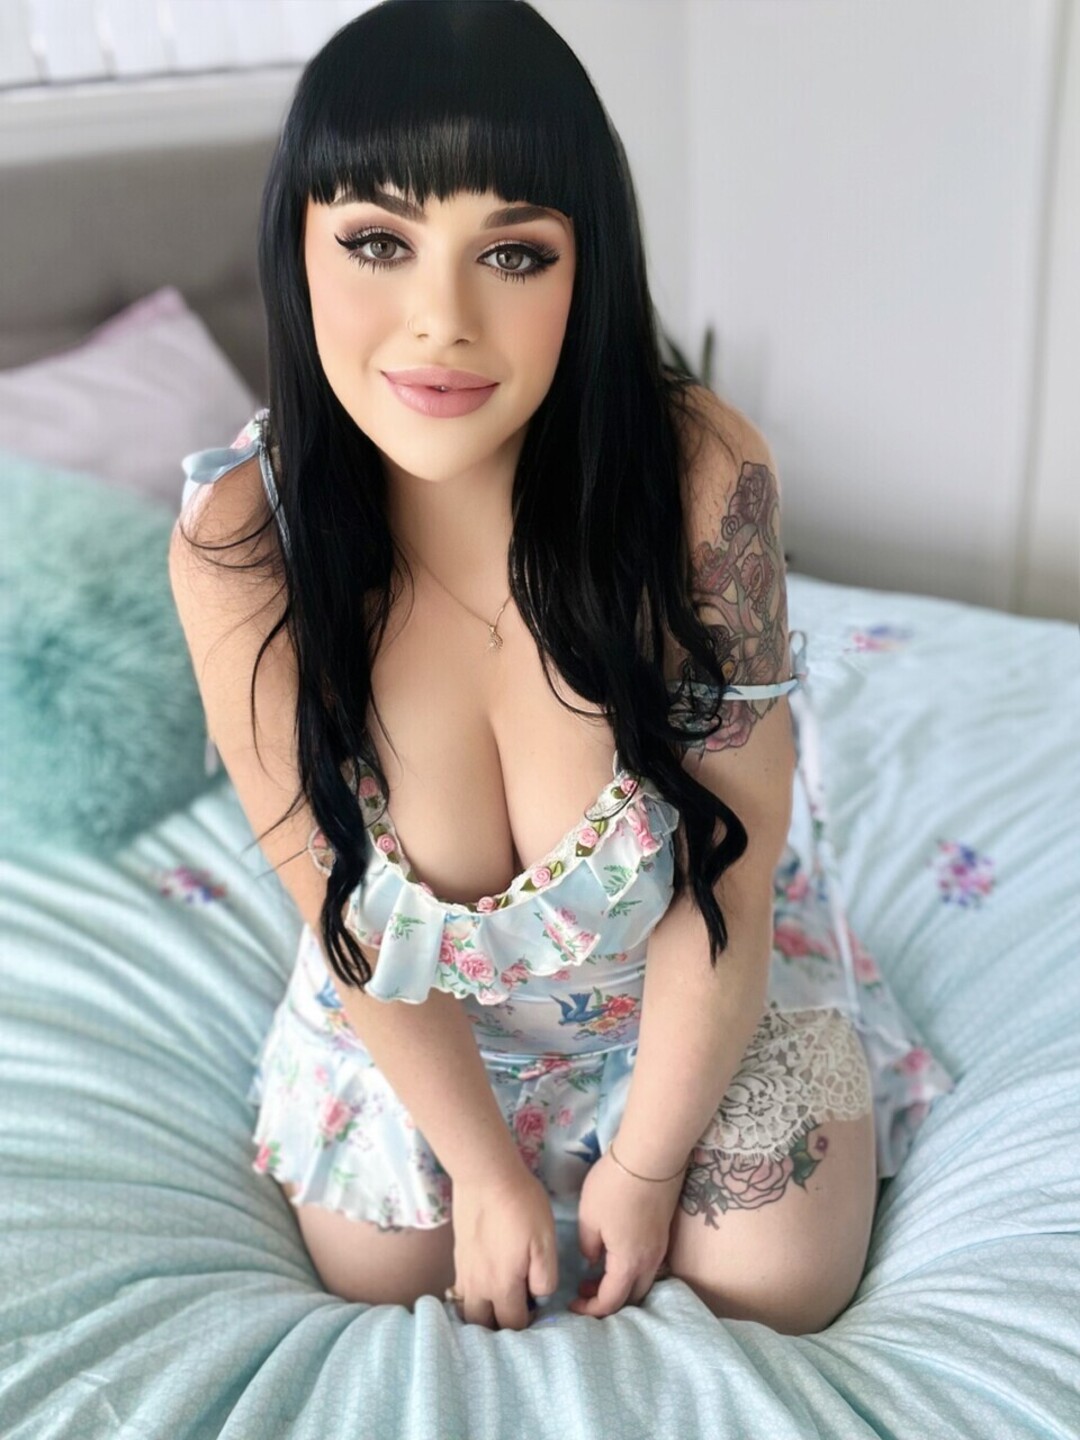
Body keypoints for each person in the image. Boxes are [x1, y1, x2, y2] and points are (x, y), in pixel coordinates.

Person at [170, 0, 954, 1336]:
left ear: (587, 269)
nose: (441, 322)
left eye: (513, 253)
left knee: (779, 1283)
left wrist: (642, 1169)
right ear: (296, 248)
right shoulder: (243, 545)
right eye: (378, 242)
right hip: (425, 1023)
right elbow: (340, 908)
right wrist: (485, 1175)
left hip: (685, 995)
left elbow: (732, 868)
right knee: (378, 1281)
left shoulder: (702, 478)